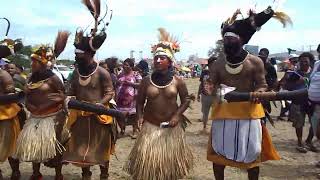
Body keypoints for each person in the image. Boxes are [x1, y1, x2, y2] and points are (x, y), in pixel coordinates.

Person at [206, 6, 291, 180]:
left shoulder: (255, 62)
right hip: (223, 114)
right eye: (225, 39)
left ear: (241, 39)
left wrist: (259, 93)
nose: (226, 42)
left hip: (249, 115)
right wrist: (210, 89)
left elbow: (262, 84)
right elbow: (209, 85)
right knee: (218, 156)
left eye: (231, 39)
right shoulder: (218, 64)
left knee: (252, 156)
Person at [124, 28, 194, 180]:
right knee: (147, 169)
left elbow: (186, 100)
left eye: (162, 58)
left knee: (169, 170)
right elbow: (140, 101)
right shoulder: (146, 81)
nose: (157, 60)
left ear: (169, 61)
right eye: (156, 58)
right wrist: (140, 117)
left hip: (171, 129)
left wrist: (177, 115)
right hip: (150, 127)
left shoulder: (178, 81)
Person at [62, 1, 116, 179]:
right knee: (82, 145)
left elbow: (110, 92)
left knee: (101, 146)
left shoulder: (102, 72)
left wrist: (98, 105)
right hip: (80, 117)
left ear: (90, 55)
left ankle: (104, 173)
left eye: (79, 55)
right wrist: (69, 98)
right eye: (76, 55)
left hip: (99, 115)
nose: (76, 58)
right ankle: (86, 173)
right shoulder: (76, 72)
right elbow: (70, 90)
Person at [14, 31, 70, 180]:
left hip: (52, 118)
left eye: (35, 62)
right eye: (32, 61)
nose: (32, 64)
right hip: (34, 116)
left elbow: (64, 96)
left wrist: (61, 100)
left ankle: (58, 174)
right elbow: (27, 95)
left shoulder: (53, 79)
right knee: (34, 147)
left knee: (54, 147)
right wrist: (29, 103)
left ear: (42, 63)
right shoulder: (31, 77)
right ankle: (36, 173)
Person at [0, 18, 23, 179]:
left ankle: (15, 171)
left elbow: (10, 95)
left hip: (5, 114)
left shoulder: (4, 75)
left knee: (10, 146)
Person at [284, 52, 317, 153]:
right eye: (301, 62)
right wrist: (298, 83)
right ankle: (299, 142)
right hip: (298, 102)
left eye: (306, 62)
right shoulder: (294, 74)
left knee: (315, 123)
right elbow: (287, 87)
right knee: (299, 123)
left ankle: (309, 141)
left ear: (310, 62)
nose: (303, 64)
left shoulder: (314, 74)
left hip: (312, 102)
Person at [116, 58, 141, 138]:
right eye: (124, 64)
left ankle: (135, 131)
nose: (124, 66)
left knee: (133, 116)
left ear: (131, 66)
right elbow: (117, 84)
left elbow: (140, 85)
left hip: (132, 99)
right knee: (119, 116)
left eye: (126, 65)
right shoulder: (120, 74)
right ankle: (122, 130)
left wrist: (130, 83)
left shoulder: (136, 74)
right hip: (120, 98)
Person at [197, 56, 217, 132]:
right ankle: (204, 127)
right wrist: (198, 94)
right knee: (205, 113)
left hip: (215, 97)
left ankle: (214, 129)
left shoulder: (219, 72)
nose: (215, 65)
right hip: (205, 96)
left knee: (215, 113)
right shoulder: (204, 72)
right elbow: (201, 84)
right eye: (213, 63)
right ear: (209, 64)